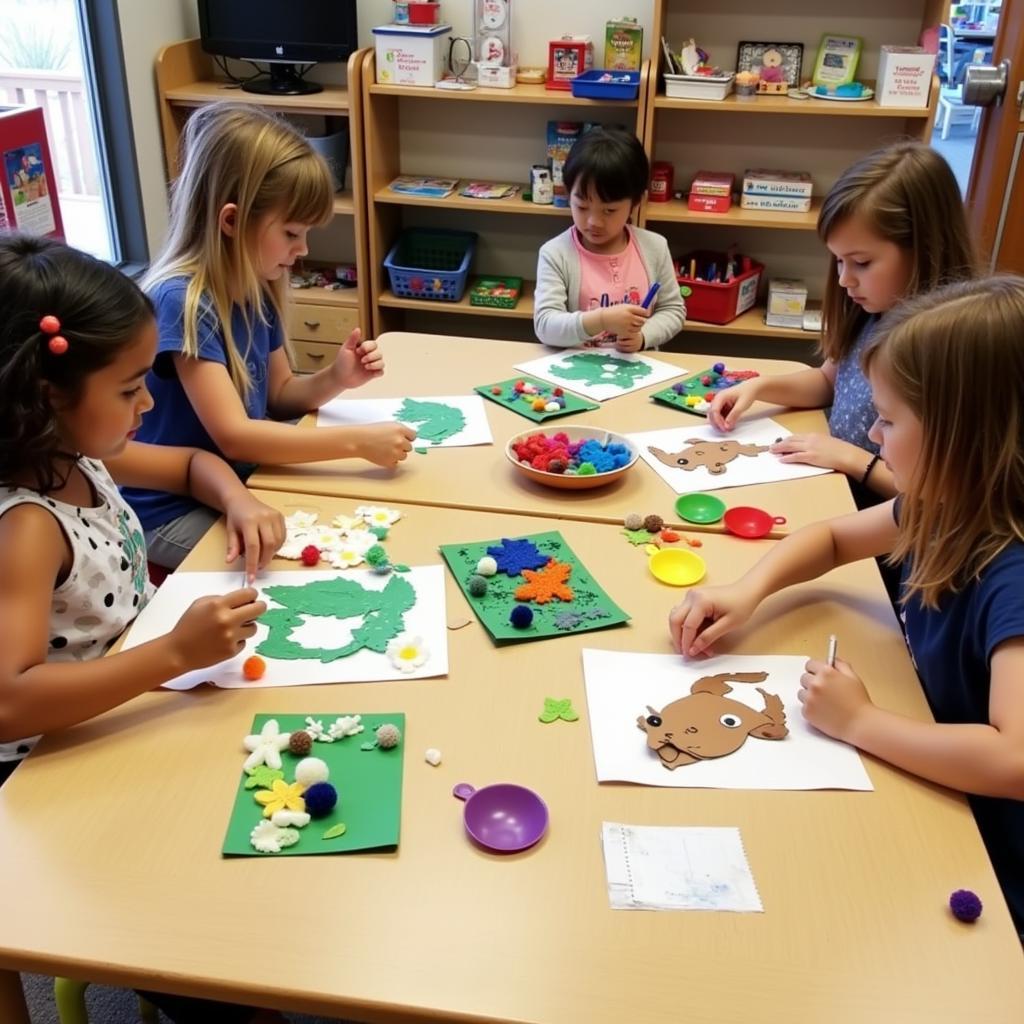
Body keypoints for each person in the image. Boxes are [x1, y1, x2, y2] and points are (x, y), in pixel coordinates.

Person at [669, 276, 1024, 933]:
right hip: (940, 790)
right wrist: (745, 593)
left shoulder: (1012, 573)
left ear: (961, 434)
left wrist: (860, 723)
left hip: (997, 867)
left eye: (889, 421)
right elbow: (833, 536)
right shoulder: (944, 506)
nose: (875, 438)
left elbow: (1014, 761)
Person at [0, 234, 288, 1023]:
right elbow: (10, 702)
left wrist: (239, 499)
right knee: (231, 974)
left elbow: (194, 466)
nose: (150, 405)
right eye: (131, 388)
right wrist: (171, 654)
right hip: (51, 776)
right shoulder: (26, 524)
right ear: (52, 395)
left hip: (121, 716)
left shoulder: (79, 456)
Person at [125, 103, 415, 569]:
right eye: (292, 233)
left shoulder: (254, 285)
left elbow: (278, 395)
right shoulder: (182, 299)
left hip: (239, 485)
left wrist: (336, 377)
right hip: (169, 509)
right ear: (232, 222)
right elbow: (236, 435)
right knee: (296, 568)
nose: (303, 251)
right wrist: (357, 442)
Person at [708, 141, 975, 505]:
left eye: (862, 262)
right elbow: (827, 382)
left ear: (926, 248)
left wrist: (852, 459)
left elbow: (942, 500)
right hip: (834, 487)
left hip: (881, 522)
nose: (844, 279)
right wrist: (759, 388)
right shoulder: (873, 312)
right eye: (838, 261)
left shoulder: (947, 349)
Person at [533, 126, 685, 352]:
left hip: (638, 370)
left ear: (636, 202)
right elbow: (545, 325)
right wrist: (601, 319)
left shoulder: (655, 247)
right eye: (582, 206)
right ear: (567, 194)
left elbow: (673, 310)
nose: (594, 221)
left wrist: (644, 336)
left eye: (609, 211)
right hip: (576, 372)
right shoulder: (556, 253)